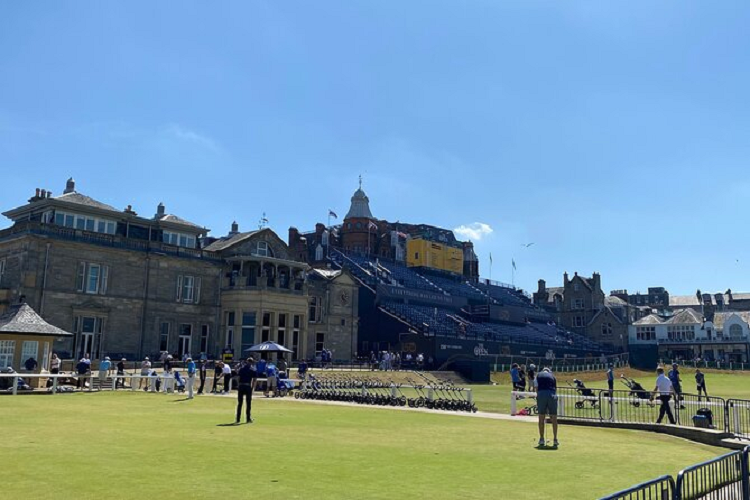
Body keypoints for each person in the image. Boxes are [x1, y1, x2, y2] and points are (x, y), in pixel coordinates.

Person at [534, 367, 559, 447]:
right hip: (552, 394)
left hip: (542, 394)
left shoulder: (538, 375)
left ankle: (541, 439)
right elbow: (555, 389)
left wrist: (539, 397)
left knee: (541, 417)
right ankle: (555, 439)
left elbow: (536, 388)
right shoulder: (553, 376)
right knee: (554, 417)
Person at [236, 357, 258, 424]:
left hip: (241, 386)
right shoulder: (252, 369)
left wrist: (238, 385)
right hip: (248, 386)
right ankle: (248, 418)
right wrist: (253, 388)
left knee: (240, 403)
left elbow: (238, 377)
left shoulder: (242, 369)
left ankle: (238, 419)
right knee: (248, 403)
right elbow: (254, 380)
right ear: (252, 362)